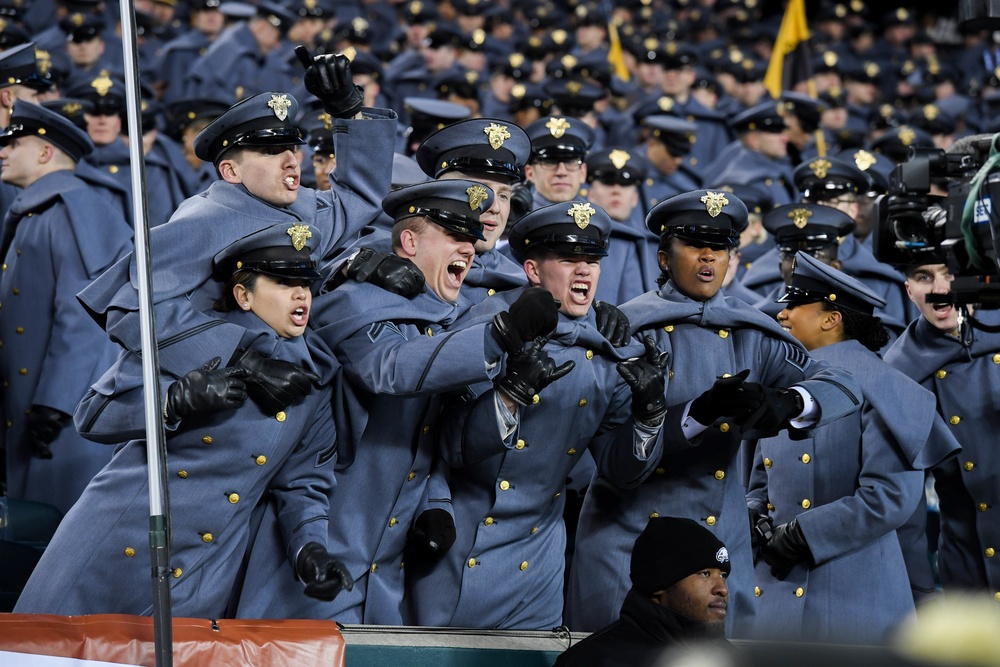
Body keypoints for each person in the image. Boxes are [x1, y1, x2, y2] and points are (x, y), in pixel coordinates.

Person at [235, 179, 563, 625]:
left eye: (470, 238)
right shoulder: (352, 300)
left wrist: (438, 503)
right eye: (452, 235)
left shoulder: (442, 323)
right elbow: (388, 369)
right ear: (408, 240)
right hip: (308, 563)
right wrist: (498, 335)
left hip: (382, 583)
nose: (467, 249)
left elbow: (429, 441)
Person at [566, 189, 862, 638]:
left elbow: (842, 384)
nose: (709, 256)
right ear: (664, 258)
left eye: (720, 246)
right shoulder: (624, 332)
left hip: (719, 547)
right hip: (627, 541)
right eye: (694, 244)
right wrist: (697, 414)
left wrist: (791, 402)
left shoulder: (752, 332)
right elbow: (616, 463)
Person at [17, 222, 352, 617]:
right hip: (118, 540)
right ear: (243, 295)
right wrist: (171, 402)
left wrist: (308, 549)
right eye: (281, 281)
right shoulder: (198, 339)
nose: (300, 294)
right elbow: (92, 415)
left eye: (307, 284)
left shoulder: (316, 377)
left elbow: (303, 483)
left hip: (199, 571)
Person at [77, 52, 396, 416]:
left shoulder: (301, 209)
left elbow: (361, 195)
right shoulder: (205, 218)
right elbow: (129, 309)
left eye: (293, 147)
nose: (293, 160)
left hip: (291, 403)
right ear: (230, 171)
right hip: (220, 408)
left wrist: (347, 111)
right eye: (271, 151)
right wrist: (240, 358)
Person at [407, 201, 667, 629]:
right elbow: (450, 447)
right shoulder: (486, 330)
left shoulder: (607, 355)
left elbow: (621, 474)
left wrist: (650, 414)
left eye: (592, 261)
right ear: (532, 270)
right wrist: (511, 394)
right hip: (459, 543)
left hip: (538, 560)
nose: (584, 271)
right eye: (568, 260)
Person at [747, 252, 960, 644]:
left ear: (831, 319)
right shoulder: (786, 386)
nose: (782, 315)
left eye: (794, 305)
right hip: (775, 591)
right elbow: (763, 479)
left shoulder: (883, 388)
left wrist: (800, 535)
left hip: (854, 595)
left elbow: (888, 498)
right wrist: (753, 513)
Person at [0, 101, 132, 514]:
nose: (2, 151)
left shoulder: (74, 208)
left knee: (55, 532)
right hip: (28, 401)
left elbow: (84, 317)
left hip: (63, 414)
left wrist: (55, 404)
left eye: (13, 142)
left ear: (44, 152)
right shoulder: (39, 208)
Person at [884, 260, 1000, 603]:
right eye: (924, 277)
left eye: (949, 274)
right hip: (970, 561)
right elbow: (904, 507)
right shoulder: (900, 370)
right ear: (908, 290)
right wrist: (919, 595)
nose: (939, 288)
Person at [556, 516, 732, 667]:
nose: (722, 589)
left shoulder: (734, 659)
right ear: (660, 582)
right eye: (705, 574)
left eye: (723, 575)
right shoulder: (596, 660)